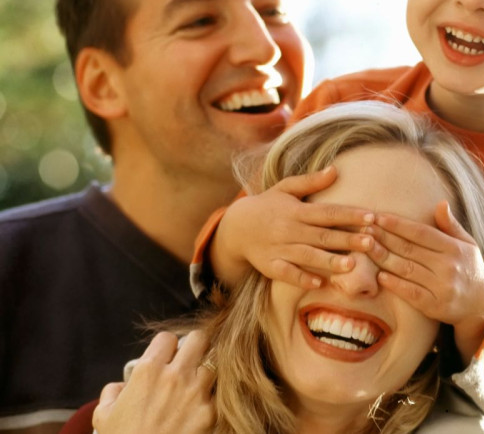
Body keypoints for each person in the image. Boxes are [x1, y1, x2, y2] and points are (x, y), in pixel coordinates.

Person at [193, 0, 484, 420]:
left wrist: (480, 306)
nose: (472, 3)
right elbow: (230, 290)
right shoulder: (342, 100)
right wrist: (237, 235)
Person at [90, 101, 484, 434]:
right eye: (325, 240)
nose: (357, 280)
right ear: (257, 271)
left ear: (444, 331)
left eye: (406, 258)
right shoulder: (122, 418)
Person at [0, 1, 373, 432]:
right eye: (200, 21)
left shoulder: (365, 282)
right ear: (103, 83)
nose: (264, 47)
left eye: (273, 12)